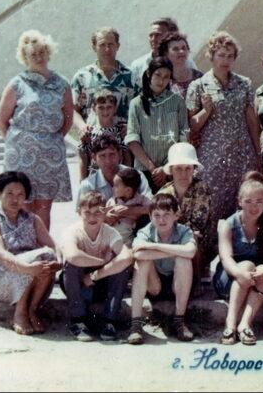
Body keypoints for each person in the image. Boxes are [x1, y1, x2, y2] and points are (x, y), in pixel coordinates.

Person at [186, 31, 261, 248]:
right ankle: (208, 254)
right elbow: (192, 126)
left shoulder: (244, 83)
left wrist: (258, 152)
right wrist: (207, 110)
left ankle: (240, 251)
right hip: (212, 157)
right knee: (212, 205)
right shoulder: (198, 86)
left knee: (242, 202)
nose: (225, 60)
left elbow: (252, 120)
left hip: (242, 154)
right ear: (211, 56)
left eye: (230, 56)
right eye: (221, 55)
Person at [0, 30, 74, 232]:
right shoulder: (17, 83)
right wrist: (16, 142)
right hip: (21, 154)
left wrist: (52, 138)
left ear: (48, 53)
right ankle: (23, 244)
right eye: (33, 54)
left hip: (50, 153)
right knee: (22, 203)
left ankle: (43, 246)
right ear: (25, 57)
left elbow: (68, 118)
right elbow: (1, 120)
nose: (39, 57)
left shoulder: (62, 84)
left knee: (44, 206)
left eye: (42, 52)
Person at [0, 171, 62, 336]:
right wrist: (27, 268)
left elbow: (54, 246)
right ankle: (20, 312)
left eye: (20, 194)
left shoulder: (32, 219)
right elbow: (0, 254)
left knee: (48, 256)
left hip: (30, 275)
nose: (15, 199)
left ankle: (32, 309)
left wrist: (59, 262)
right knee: (36, 258)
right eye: (9, 193)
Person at [215, 173, 263, 345]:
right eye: (248, 201)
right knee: (247, 265)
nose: (254, 206)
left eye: (259, 201)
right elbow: (226, 258)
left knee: (262, 269)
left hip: (256, 281)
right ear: (240, 201)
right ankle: (230, 323)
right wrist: (240, 274)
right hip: (229, 278)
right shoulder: (228, 225)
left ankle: (245, 324)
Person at [59, 191, 134, 341]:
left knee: (122, 267)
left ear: (105, 212)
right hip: (80, 285)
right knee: (71, 264)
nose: (92, 217)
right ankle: (78, 320)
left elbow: (127, 257)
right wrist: (101, 261)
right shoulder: (72, 231)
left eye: (97, 212)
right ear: (79, 212)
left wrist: (94, 276)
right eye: (87, 212)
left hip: (100, 283)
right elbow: (72, 255)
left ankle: (109, 321)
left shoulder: (110, 232)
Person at [127, 193, 197, 344]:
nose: (161, 220)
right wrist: (175, 250)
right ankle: (135, 325)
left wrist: (153, 246)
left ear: (176, 215)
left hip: (177, 285)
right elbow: (138, 253)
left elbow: (190, 251)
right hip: (155, 285)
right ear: (150, 217)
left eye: (166, 214)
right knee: (142, 262)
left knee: (183, 259)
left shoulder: (184, 231)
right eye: (157, 215)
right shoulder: (146, 231)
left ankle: (179, 321)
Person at [126, 56, 189, 190]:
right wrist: (152, 168)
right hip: (145, 170)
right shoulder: (136, 104)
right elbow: (132, 140)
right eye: (158, 75)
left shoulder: (177, 102)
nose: (161, 81)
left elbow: (183, 136)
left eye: (166, 77)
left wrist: (166, 168)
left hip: (172, 169)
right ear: (149, 74)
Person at [71, 26, 136, 139]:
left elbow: (141, 109)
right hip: (93, 140)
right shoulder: (82, 77)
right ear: (94, 47)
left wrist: (131, 126)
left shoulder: (131, 77)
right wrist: (82, 126)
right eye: (102, 45)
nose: (107, 49)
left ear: (117, 46)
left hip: (124, 140)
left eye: (110, 44)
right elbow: (72, 110)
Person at [159, 143, 213, 275]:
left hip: (198, 241)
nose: (183, 174)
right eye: (178, 168)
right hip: (170, 239)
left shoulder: (202, 188)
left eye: (188, 168)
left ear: (194, 169)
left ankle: (195, 283)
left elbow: (199, 225)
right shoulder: (163, 193)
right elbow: (160, 223)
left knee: (192, 239)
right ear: (171, 170)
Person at [77, 134, 152, 206]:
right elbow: (82, 213)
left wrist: (127, 211)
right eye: (102, 156)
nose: (108, 161)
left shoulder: (137, 176)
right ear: (94, 158)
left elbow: (151, 206)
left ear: (120, 154)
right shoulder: (88, 186)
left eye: (112, 154)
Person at [77, 88, 129, 179]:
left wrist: (127, 180)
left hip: (117, 180)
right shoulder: (89, 133)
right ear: (94, 108)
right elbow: (84, 161)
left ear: (115, 108)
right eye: (101, 107)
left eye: (109, 107)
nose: (105, 111)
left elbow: (127, 159)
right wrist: (83, 184)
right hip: (95, 180)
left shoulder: (121, 131)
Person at [132, 17, 198, 84]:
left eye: (158, 35)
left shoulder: (187, 62)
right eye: (151, 35)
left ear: (171, 36)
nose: (153, 39)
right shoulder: (138, 66)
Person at [105, 167, 151, 245]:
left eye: (116, 186)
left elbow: (152, 208)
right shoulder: (113, 200)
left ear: (128, 190)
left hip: (127, 238)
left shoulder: (140, 199)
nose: (112, 188)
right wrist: (108, 216)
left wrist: (133, 210)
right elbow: (104, 214)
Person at [157, 31, 203, 101]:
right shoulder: (163, 83)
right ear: (165, 54)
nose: (181, 51)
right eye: (175, 49)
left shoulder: (200, 77)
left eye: (184, 48)